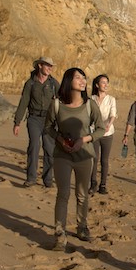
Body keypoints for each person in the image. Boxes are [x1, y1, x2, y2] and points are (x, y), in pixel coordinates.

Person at [48, 66, 102, 249]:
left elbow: (101, 129)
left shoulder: (89, 105)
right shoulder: (56, 104)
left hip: (85, 155)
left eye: (84, 78)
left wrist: (84, 139)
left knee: (82, 194)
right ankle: (59, 233)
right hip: (61, 155)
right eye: (78, 77)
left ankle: (82, 226)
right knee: (63, 193)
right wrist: (60, 139)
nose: (82, 81)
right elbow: (48, 127)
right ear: (68, 80)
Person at [12, 55, 59, 188]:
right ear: (40, 65)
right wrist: (17, 122)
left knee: (49, 149)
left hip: (49, 120)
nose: (50, 68)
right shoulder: (30, 83)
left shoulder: (54, 84)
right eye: (47, 66)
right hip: (34, 119)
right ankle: (31, 178)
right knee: (34, 146)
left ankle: (48, 179)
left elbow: (62, 101)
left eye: (51, 66)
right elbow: (24, 102)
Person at [89, 74, 117, 195]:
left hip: (107, 132)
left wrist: (108, 124)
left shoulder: (111, 99)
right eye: (103, 82)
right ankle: (93, 183)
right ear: (97, 85)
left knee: (104, 160)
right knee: (94, 159)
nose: (106, 85)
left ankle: (103, 184)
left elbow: (113, 114)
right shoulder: (91, 99)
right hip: (94, 132)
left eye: (107, 82)